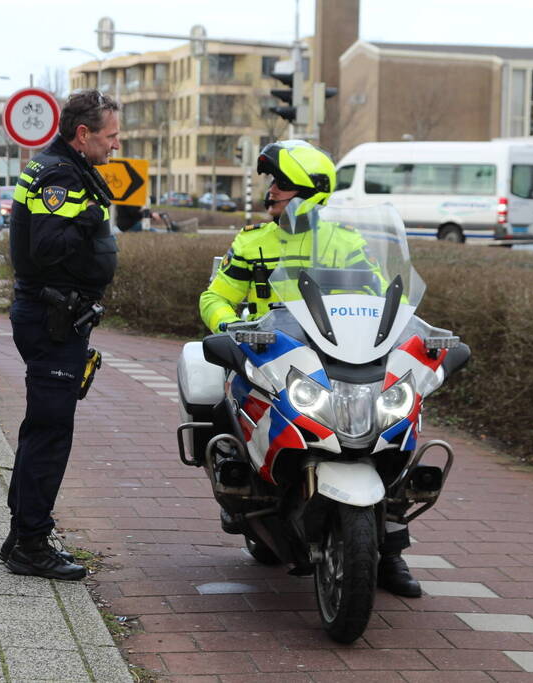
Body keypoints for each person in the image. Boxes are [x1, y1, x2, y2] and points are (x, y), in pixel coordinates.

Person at [198, 140, 423, 599]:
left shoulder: (346, 244)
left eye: (281, 183)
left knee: (393, 428)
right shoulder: (252, 242)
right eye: (272, 182)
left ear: (309, 191)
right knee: (223, 407)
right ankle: (239, 493)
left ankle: (390, 551)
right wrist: (232, 326)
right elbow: (215, 297)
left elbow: (388, 302)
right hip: (266, 355)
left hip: (335, 359)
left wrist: (413, 333)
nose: (271, 191)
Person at [0, 89, 121, 580]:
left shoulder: (60, 166)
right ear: (84, 133)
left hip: (57, 317)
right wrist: (91, 218)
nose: (116, 145)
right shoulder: (58, 174)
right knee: (50, 432)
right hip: (52, 319)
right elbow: (48, 247)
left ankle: (20, 536)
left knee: (41, 428)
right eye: (110, 136)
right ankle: (31, 543)